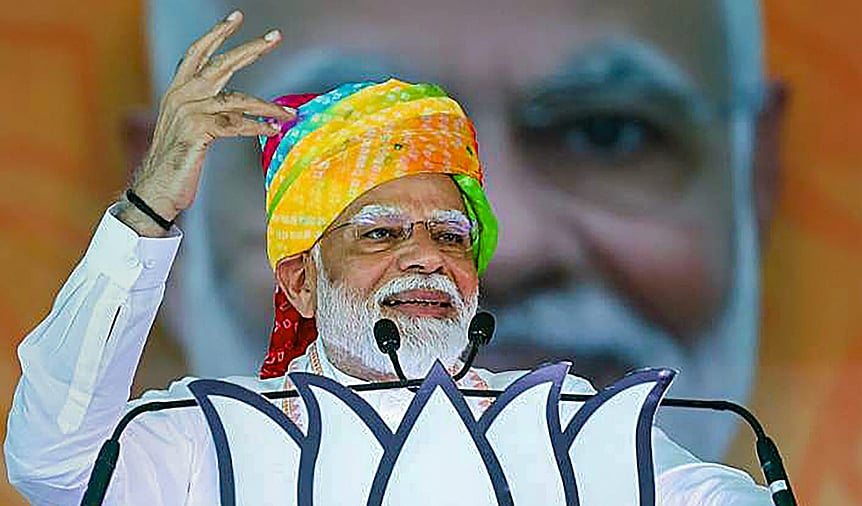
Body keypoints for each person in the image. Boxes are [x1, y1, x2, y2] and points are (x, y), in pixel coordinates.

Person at [5, 15, 773, 505]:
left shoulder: (578, 431)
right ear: (301, 282)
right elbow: (54, 463)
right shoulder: (210, 436)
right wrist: (145, 212)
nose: (426, 259)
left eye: (450, 235)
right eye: (379, 234)